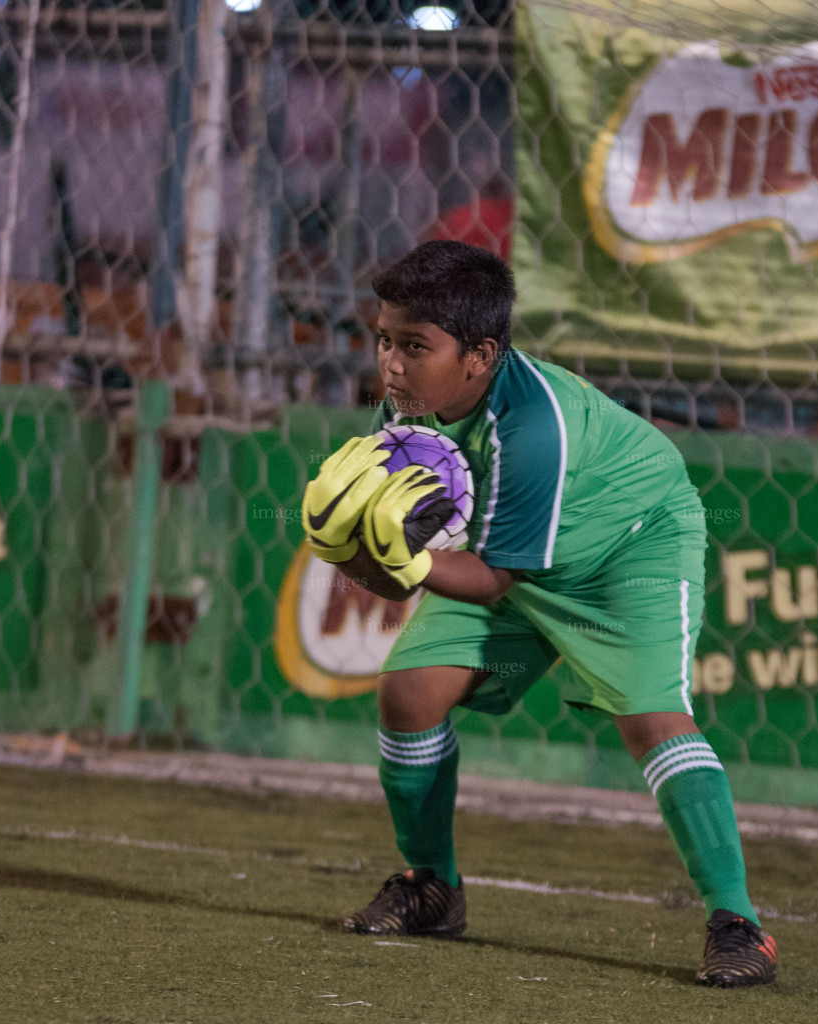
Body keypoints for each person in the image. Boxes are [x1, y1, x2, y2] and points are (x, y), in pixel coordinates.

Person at [299, 240, 776, 988]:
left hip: (630, 545)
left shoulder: (533, 428)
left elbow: (488, 579)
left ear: (480, 354)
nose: (390, 363)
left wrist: (404, 558)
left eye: (414, 347)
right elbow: (407, 579)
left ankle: (738, 922)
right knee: (409, 691)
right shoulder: (403, 416)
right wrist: (345, 545)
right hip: (511, 561)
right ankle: (432, 888)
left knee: (652, 719)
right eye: (384, 340)